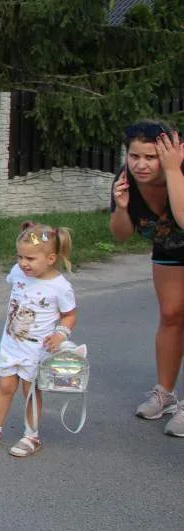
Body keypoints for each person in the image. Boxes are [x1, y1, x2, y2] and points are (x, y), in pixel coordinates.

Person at [0, 222, 78, 457]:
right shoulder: (17, 272)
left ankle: (31, 436)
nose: (23, 263)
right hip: (11, 343)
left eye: (30, 258)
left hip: (37, 350)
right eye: (20, 256)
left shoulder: (60, 287)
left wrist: (61, 334)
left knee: (30, 391)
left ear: (51, 259)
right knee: (5, 386)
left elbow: (70, 314)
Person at [110, 120, 184, 437]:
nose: (141, 164)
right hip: (170, 247)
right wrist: (122, 209)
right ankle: (164, 395)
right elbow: (122, 235)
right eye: (135, 156)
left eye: (151, 158)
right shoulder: (125, 181)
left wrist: (173, 171)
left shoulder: (179, 171)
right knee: (170, 315)